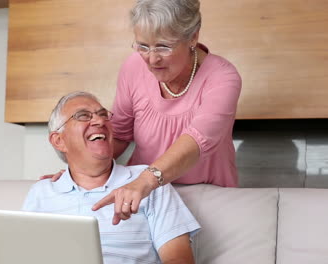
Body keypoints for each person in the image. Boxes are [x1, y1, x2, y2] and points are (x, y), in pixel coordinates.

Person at [43, 0, 242, 225]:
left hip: (203, 193)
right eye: (143, 46)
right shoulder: (133, 67)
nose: (151, 59)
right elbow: (119, 135)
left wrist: (145, 181)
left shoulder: (223, 77)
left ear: (193, 37)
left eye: (164, 46)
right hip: (145, 195)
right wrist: (76, 172)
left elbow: (197, 140)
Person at [23, 91, 200, 264]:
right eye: (83, 116)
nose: (100, 121)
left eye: (103, 115)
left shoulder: (149, 181)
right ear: (58, 141)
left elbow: (179, 259)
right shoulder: (42, 192)